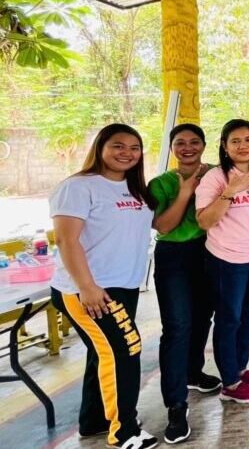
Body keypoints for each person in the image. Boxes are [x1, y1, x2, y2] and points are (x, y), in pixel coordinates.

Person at [50, 124, 159, 449]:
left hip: (123, 286)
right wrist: (87, 287)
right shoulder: (79, 186)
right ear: (100, 147)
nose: (127, 152)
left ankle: (95, 420)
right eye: (118, 146)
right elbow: (65, 240)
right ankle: (124, 431)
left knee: (104, 353)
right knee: (127, 350)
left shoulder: (134, 188)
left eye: (134, 147)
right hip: (90, 289)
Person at [150, 123, 220, 444]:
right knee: (177, 326)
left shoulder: (217, 175)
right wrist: (185, 193)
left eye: (194, 142)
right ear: (173, 148)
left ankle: (193, 372)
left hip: (208, 253)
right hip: (174, 256)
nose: (188, 147)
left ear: (204, 145)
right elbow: (163, 225)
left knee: (203, 317)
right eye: (180, 143)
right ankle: (176, 406)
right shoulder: (162, 183)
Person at [196, 119, 249, 403]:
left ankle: (239, 368)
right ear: (225, 147)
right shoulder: (216, 177)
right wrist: (230, 191)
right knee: (228, 319)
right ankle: (229, 382)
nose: (243, 146)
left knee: (248, 315)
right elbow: (204, 220)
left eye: (248, 139)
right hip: (227, 259)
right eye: (235, 141)